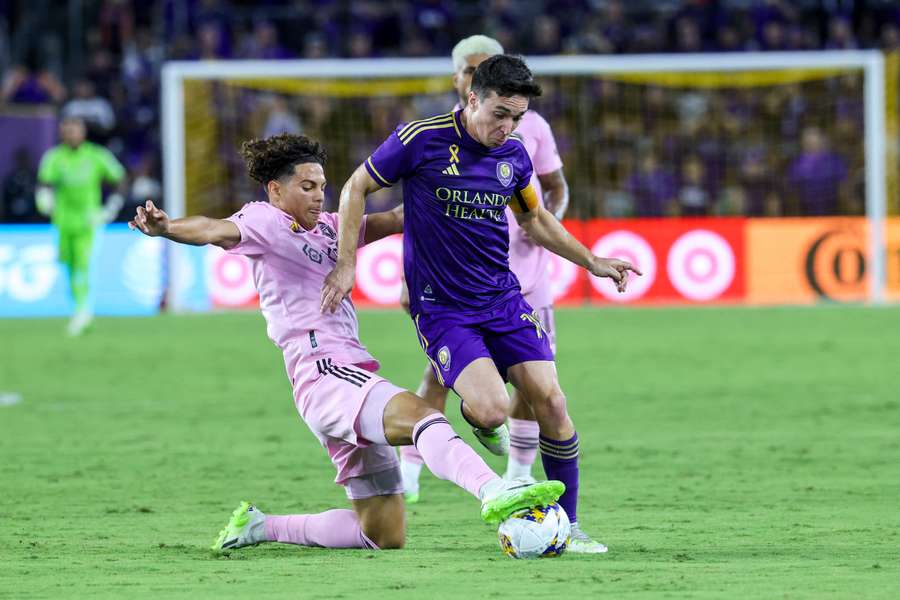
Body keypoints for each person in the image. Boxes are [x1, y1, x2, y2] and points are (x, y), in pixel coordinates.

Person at [128, 133, 563, 552]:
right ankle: (494, 490)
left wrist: (451, 183)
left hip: (344, 378)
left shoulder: (333, 227)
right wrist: (167, 228)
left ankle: (260, 526)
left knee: (382, 533)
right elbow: (212, 228)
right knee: (420, 416)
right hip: (322, 370)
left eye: (322, 186)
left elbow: (396, 219)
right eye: (307, 186)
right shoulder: (264, 220)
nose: (319, 195)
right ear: (276, 190)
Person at [321, 55, 640, 554]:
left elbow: (535, 222)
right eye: (499, 114)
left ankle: (570, 526)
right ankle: (478, 421)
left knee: (553, 402)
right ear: (472, 97)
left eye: (516, 117)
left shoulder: (513, 156)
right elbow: (356, 186)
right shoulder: (419, 139)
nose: (507, 127)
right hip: (443, 308)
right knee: (491, 411)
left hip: (502, 298)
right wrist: (346, 263)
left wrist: (591, 260)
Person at [396, 35, 569, 513]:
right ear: (461, 81)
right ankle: (408, 471)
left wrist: (545, 225)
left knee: (541, 389)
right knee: (442, 377)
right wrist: (404, 275)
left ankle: (519, 474)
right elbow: (412, 211)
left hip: (522, 279)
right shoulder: (430, 138)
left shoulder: (528, 130)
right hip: (451, 287)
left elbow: (552, 190)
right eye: (471, 70)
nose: (509, 124)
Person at [36, 116, 126, 335]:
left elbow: (120, 178)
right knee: (69, 267)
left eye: (75, 130)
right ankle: (79, 309)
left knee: (83, 266)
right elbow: (44, 182)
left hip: (89, 222)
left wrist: (111, 207)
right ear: (62, 134)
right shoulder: (55, 157)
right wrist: (43, 197)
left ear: (83, 132)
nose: (72, 135)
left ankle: (83, 312)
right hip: (63, 222)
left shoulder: (96, 155)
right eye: (67, 131)